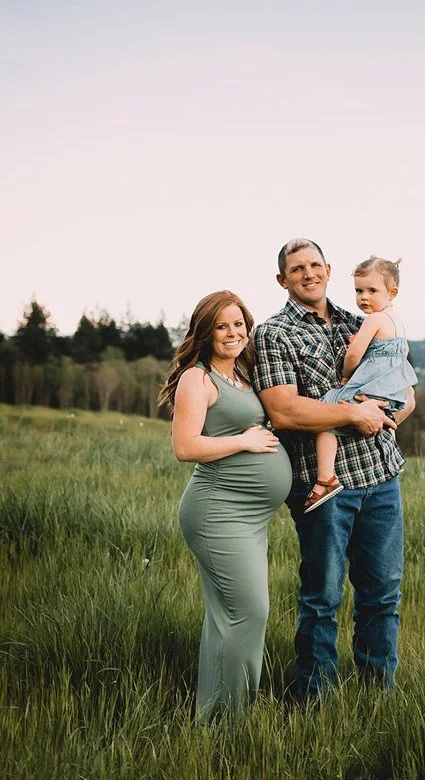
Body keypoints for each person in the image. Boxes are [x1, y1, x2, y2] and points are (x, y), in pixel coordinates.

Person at [253, 239, 415, 700]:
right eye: (296, 268)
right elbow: (284, 412)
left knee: (382, 595)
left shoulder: (359, 318)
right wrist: (351, 415)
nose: (308, 273)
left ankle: (375, 696)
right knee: (322, 598)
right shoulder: (274, 334)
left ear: (328, 268)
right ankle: (314, 699)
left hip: (380, 475)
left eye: (315, 265)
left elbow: (402, 388)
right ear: (283, 280)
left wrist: (385, 414)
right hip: (324, 486)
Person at [158, 291, 292, 722]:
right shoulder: (196, 380)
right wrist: (245, 440)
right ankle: (232, 721)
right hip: (218, 511)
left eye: (238, 324)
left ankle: (212, 721)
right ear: (205, 331)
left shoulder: (241, 373)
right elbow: (185, 446)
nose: (233, 333)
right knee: (250, 612)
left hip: (250, 517)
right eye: (222, 326)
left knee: (226, 617)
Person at [306, 255, 418, 513]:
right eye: (359, 290)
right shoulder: (396, 320)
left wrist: (346, 375)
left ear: (392, 293)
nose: (363, 297)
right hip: (394, 390)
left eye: (371, 291)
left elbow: (354, 354)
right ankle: (389, 429)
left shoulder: (373, 319)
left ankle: (326, 479)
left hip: (372, 388)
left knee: (327, 410)